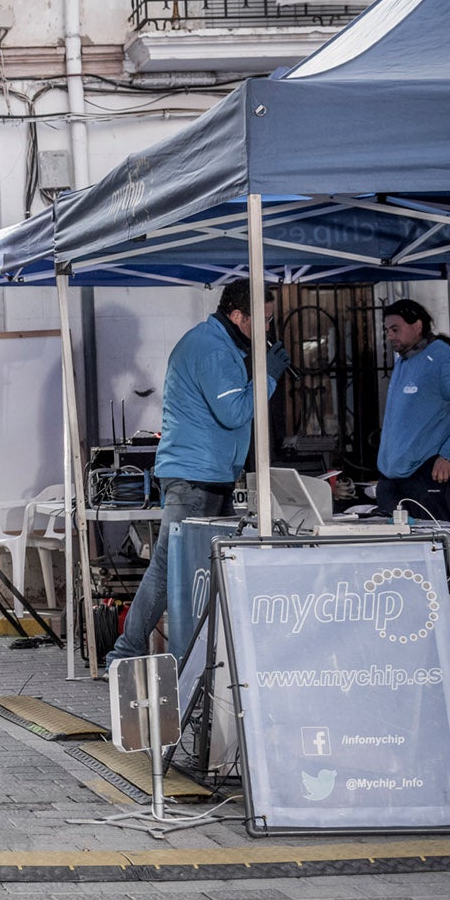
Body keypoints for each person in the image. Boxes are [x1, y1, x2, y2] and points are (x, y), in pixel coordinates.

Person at [103, 281, 290, 669]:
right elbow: (235, 412)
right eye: (265, 321)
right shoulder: (210, 348)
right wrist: (267, 376)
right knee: (170, 569)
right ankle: (126, 656)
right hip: (194, 478)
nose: (269, 330)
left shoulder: (218, 343)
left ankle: (200, 656)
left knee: (199, 568)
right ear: (239, 316)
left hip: (209, 474)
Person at [376, 298, 450, 522]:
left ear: (417, 326)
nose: (390, 336)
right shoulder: (404, 361)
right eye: (387, 330)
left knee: (436, 546)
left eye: (395, 329)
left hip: (428, 474)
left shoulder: (442, 360)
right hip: (393, 477)